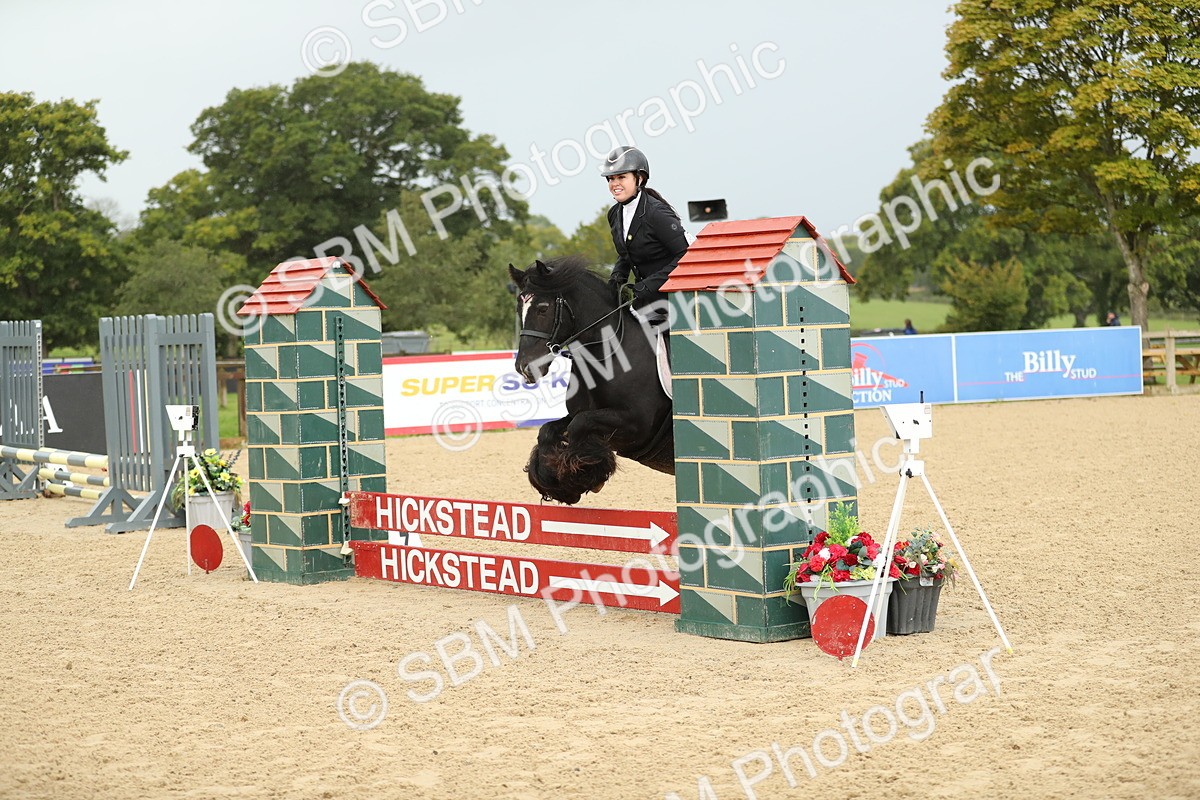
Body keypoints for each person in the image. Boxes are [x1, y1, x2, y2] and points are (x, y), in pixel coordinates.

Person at [602, 146, 689, 320]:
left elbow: (685, 256)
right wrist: (615, 282)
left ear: (639, 178)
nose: (614, 184)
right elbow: (626, 253)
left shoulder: (656, 213)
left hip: (674, 302)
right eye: (611, 179)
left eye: (621, 177)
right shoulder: (614, 214)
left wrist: (646, 286)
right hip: (644, 300)